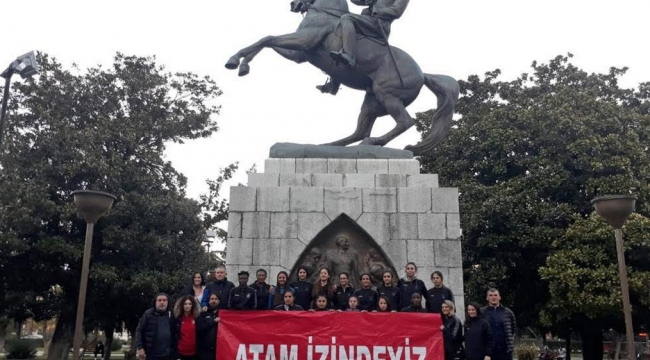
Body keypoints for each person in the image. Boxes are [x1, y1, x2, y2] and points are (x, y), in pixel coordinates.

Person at [329, 0, 410, 70]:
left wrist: (378, 11)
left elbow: (397, 11)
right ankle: (334, 81)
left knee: (347, 18)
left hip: (380, 24)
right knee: (343, 31)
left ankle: (349, 56)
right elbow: (358, 1)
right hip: (368, 19)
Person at [135, 293, 177, 360]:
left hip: (168, 355)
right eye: (159, 300)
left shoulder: (172, 315)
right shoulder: (148, 314)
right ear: (155, 302)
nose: (162, 302)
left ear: (168, 302)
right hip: (152, 354)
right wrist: (140, 348)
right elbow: (139, 331)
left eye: (164, 300)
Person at [481, 289, 516, 360]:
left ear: (499, 297)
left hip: (505, 350)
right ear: (487, 298)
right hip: (488, 351)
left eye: (495, 295)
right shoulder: (481, 312)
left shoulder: (508, 312)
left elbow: (513, 330)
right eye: (490, 295)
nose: (493, 297)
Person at [173, 295, 200, 360]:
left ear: (192, 305)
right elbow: (174, 336)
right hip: (180, 353)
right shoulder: (177, 319)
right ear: (182, 305)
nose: (187, 306)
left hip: (195, 353)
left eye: (189, 304)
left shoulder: (197, 318)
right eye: (185, 304)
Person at [197, 293, 220, 360]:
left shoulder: (222, 314)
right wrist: (213, 322)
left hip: (218, 350)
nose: (214, 301)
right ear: (209, 301)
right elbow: (199, 328)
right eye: (212, 299)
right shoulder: (203, 314)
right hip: (205, 350)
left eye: (216, 299)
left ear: (219, 301)